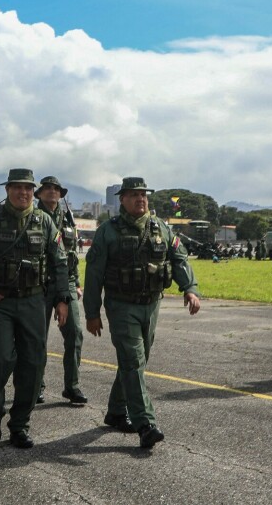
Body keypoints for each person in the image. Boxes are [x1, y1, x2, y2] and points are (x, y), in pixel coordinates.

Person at [0, 168, 70, 450]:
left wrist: (62, 299)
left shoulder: (44, 222)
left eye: (28, 188)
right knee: (0, 360)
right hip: (0, 302)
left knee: (33, 363)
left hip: (34, 301)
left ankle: (20, 425)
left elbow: (59, 262)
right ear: (7, 190)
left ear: (34, 192)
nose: (23, 192)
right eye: (17, 187)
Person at [84, 176, 201, 449]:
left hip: (151, 304)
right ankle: (145, 424)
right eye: (134, 195)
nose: (140, 199)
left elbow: (178, 258)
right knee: (134, 360)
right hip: (121, 305)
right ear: (122, 199)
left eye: (144, 195)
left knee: (136, 360)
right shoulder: (108, 231)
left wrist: (190, 288)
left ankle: (116, 411)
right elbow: (94, 274)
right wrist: (92, 312)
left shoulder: (160, 227)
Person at [34, 175, 87, 406]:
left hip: (67, 283)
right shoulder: (33, 217)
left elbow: (72, 254)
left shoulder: (67, 219)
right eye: (47, 188)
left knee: (75, 334)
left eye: (56, 189)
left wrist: (76, 282)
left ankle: (72, 387)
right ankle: (36, 386)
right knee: (37, 339)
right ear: (39, 193)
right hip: (40, 285)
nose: (52, 191)